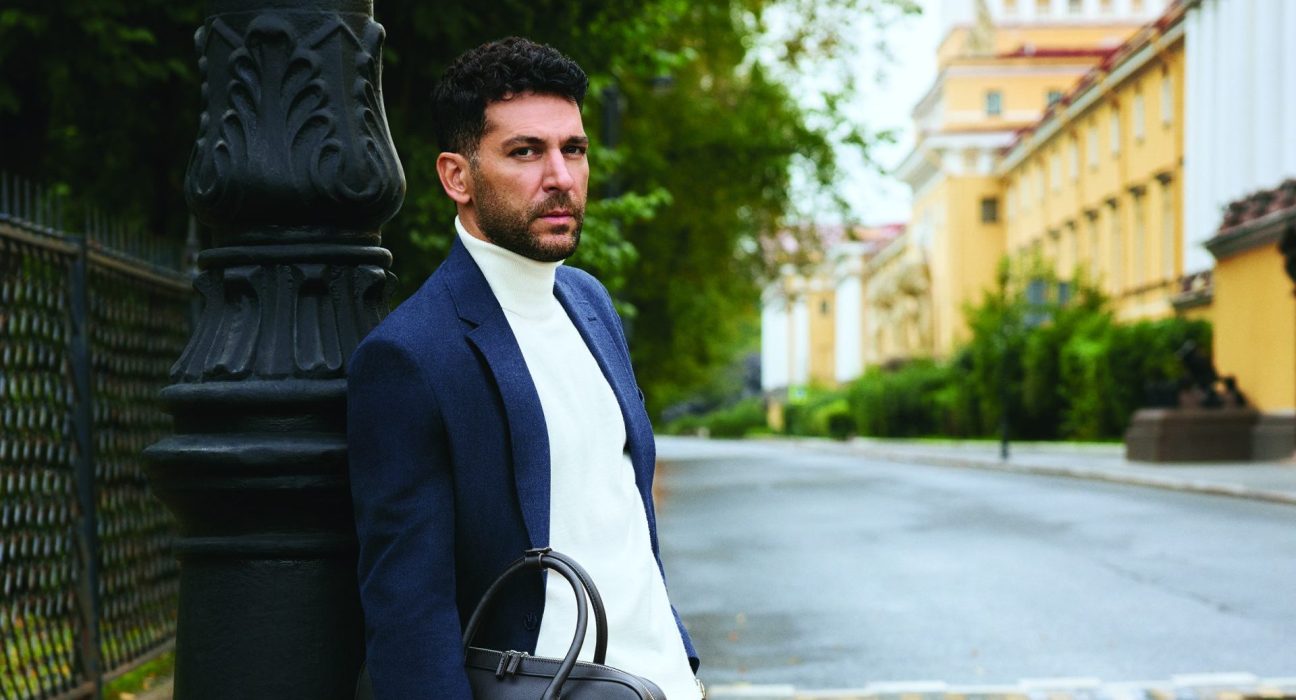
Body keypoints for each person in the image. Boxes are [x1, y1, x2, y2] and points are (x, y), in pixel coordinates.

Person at [347, 37, 702, 699]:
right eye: (525, 151)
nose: (561, 176)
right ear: (457, 177)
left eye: (574, 149)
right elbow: (409, 613)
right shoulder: (411, 356)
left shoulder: (590, 303)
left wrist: (678, 655)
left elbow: (622, 518)